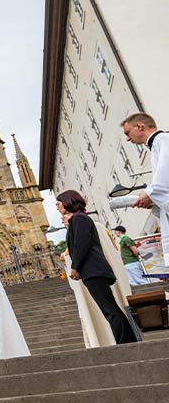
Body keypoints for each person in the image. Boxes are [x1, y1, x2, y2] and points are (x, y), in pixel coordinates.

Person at [58, 190, 139, 344]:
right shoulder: (79, 219)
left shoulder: (79, 219)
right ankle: (126, 340)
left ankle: (126, 342)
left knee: (109, 309)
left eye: (59, 202)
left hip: (93, 270)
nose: (57, 206)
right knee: (108, 308)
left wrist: (75, 267)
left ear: (68, 201)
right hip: (92, 271)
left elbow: (82, 244)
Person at [123, 114, 167, 251]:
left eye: (128, 133)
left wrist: (148, 194)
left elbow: (165, 177)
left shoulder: (163, 139)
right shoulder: (156, 146)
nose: (128, 139)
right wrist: (153, 201)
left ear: (140, 126)